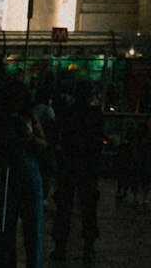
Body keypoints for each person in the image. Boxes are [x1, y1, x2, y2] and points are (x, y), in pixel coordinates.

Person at [0, 80, 46, 268]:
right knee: (8, 229)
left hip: (20, 173)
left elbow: (43, 144)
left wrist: (30, 139)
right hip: (11, 173)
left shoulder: (29, 116)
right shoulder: (1, 119)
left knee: (31, 228)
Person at [51, 78, 103, 264]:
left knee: (64, 207)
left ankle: (60, 245)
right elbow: (98, 142)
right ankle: (88, 245)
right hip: (87, 167)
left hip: (69, 165)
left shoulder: (67, 113)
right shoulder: (95, 114)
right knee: (88, 208)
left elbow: (61, 137)